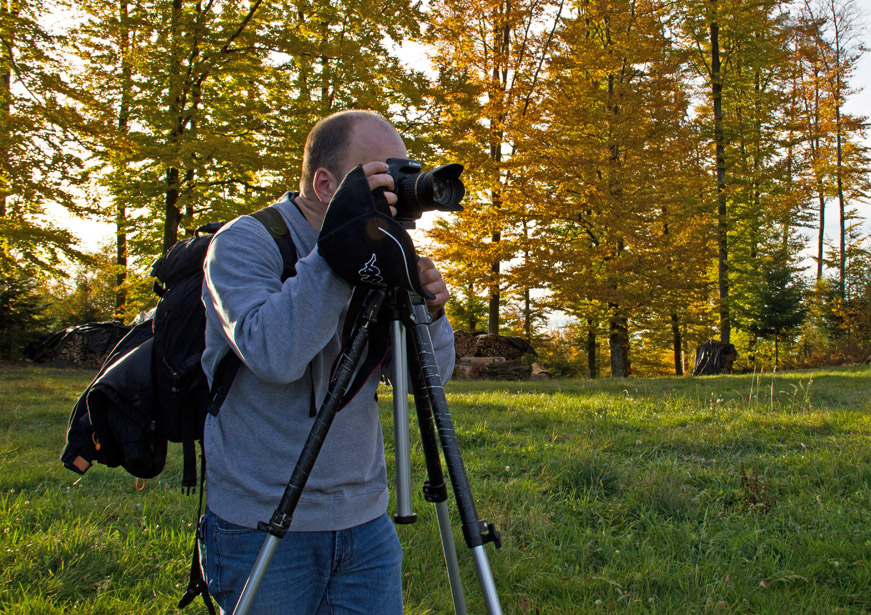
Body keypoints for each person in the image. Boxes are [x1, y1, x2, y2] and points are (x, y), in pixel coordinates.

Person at [198, 110, 456, 614]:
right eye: (380, 176)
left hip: (366, 523)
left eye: (402, 172)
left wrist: (431, 312)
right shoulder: (243, 243)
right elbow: (275, 354)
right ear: (325, 184)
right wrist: (340, 253)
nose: (398, 189)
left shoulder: (385, 250)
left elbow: (430, 382)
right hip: (262, 521)